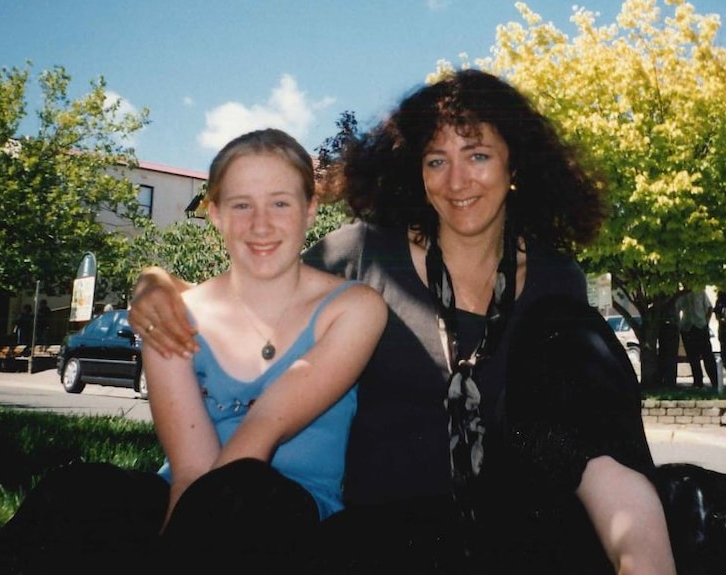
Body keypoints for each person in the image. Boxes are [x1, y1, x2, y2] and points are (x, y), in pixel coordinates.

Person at [129, 70, 675, 574]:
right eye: (436, 160)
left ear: (516, 164)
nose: (457, 180)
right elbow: (259, 284)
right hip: (378, 534)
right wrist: (153, 281)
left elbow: (587, 430)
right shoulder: (365, 255)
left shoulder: (555, 281)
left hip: (508, 528)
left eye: (478, 155)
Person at [0, 128, 387, 574]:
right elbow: (190, 470)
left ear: (309, 211)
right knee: (79, 488)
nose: (260, 224)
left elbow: (258, 435)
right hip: (185, 497)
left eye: (280, 203)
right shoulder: (171, 314)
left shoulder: (353, 308)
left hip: (288, 509)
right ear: (215, 214)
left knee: (242, 495)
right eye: (241, 204)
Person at [676, 288, 719, 388]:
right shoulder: (681, 295)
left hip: (700, 326)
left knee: (707, 356)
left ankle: (715, 382)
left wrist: (706, 322)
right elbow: (676, 309)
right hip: (687, 327)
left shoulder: (700, 292)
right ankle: (698, 382)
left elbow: (709, 308)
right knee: (692, 357)